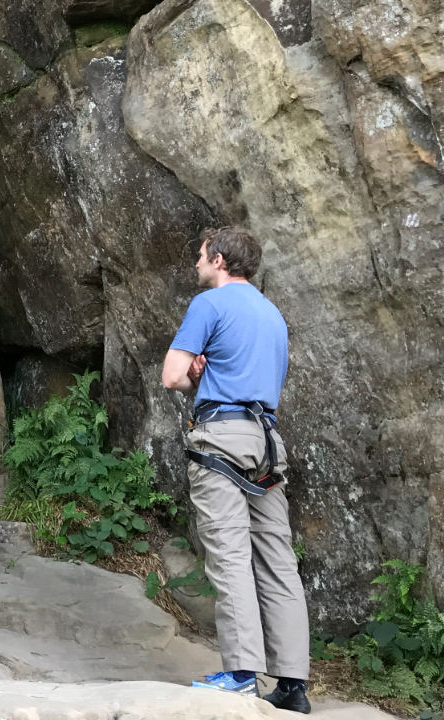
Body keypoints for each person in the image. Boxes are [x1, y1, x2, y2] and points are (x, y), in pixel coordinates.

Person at [162, 226, 310, 713]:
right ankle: (292, 685)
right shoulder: (273, 315)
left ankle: (242, 674)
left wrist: (196, 378)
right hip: (267, 442)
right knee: (277, 561)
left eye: (201, 257)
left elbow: (171, 375)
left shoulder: (209, 305)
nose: (197, 265)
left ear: (220, 260)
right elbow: (265, 379)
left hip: (222, 438)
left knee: (229, 554)